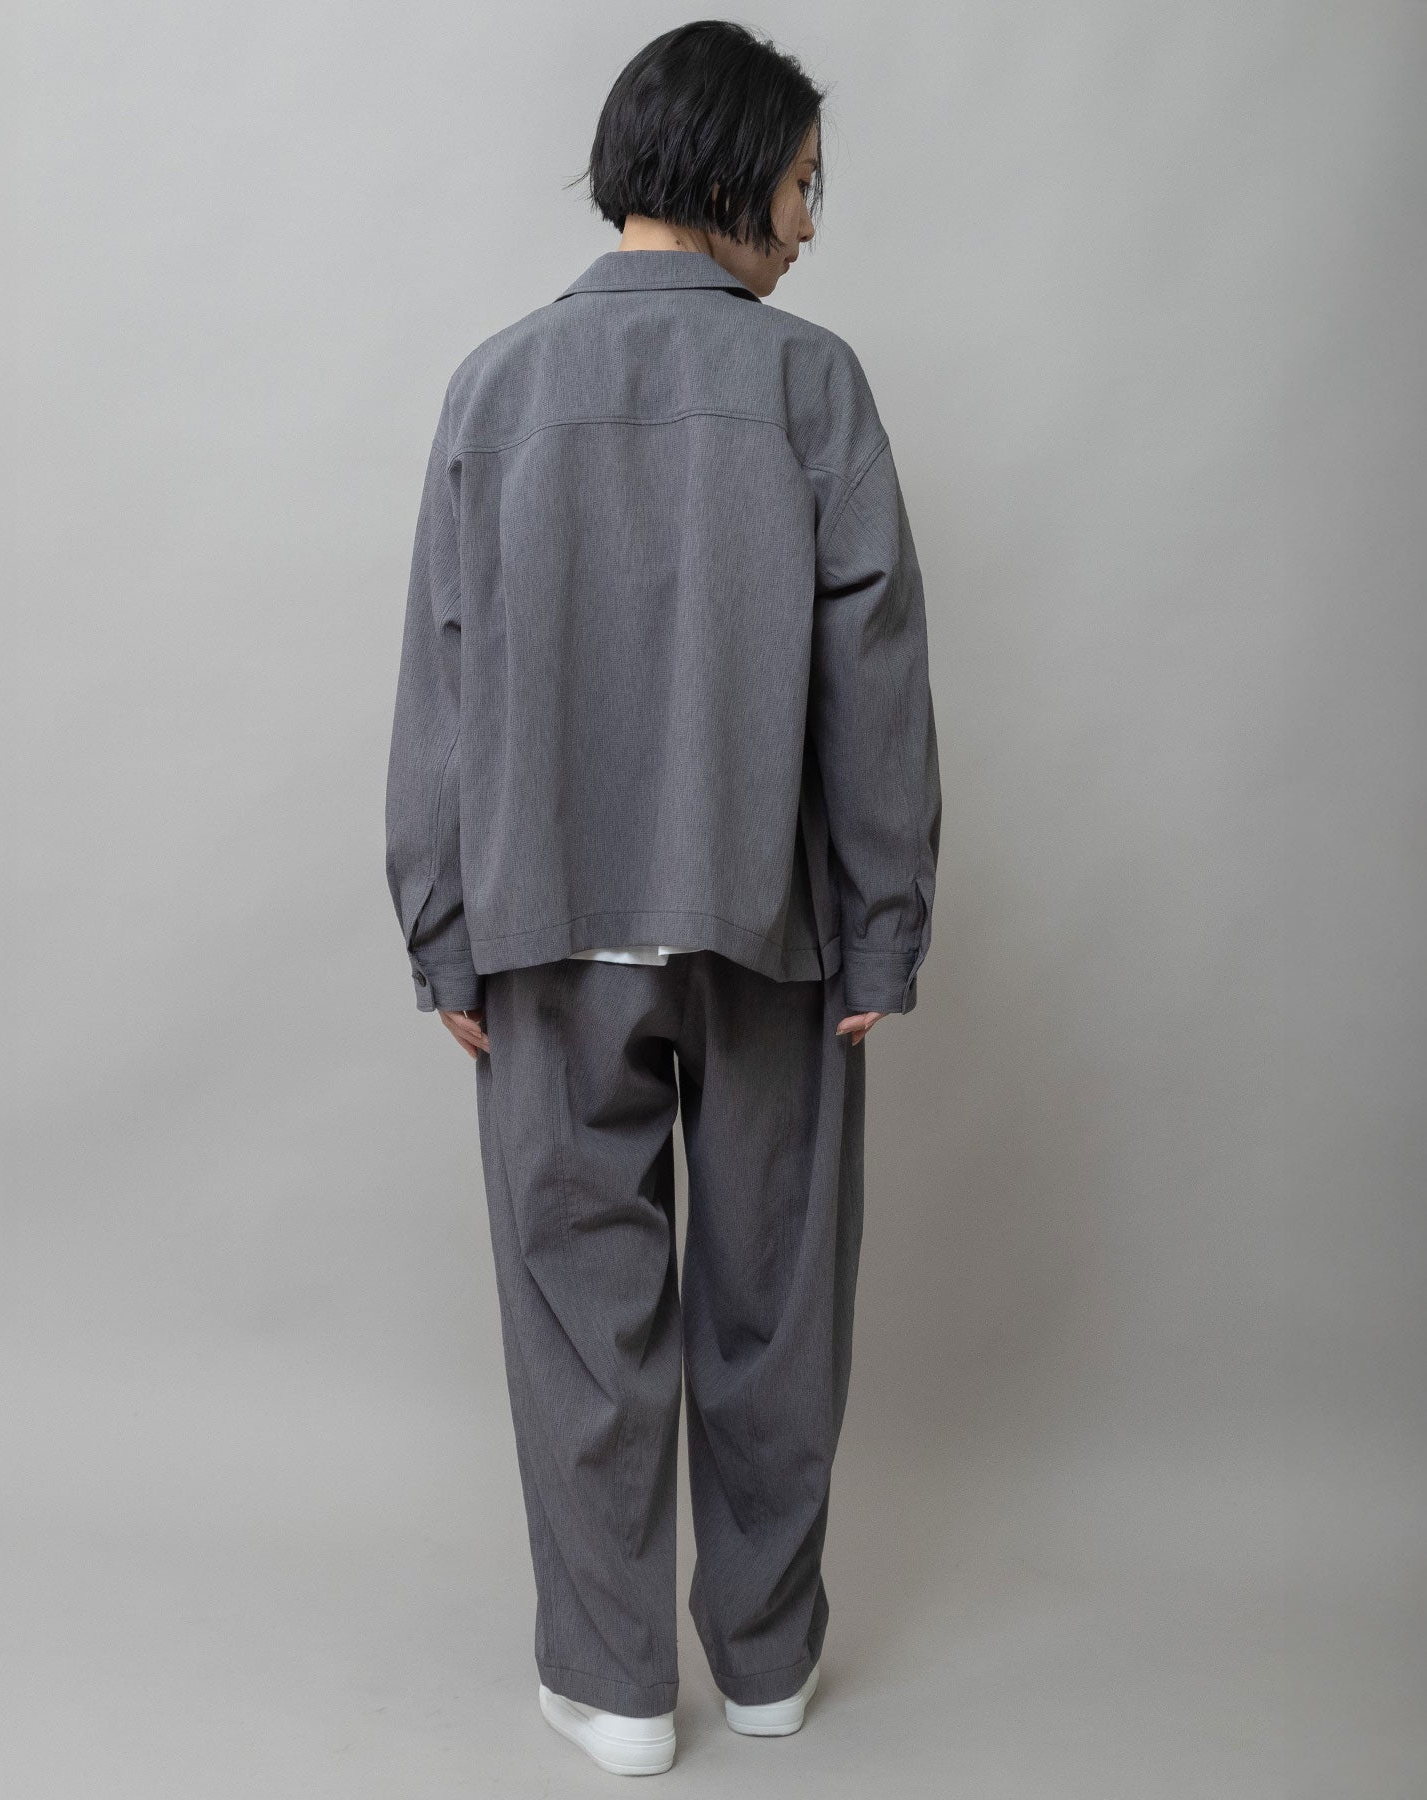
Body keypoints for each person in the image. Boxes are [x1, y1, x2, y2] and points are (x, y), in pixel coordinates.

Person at [385, 19, 942, 1778]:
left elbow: (444, 677)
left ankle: (616, 1688)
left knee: (580, 1315)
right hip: (770, 925)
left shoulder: (493, 387)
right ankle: (766, 1668)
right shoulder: (811, 387)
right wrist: (883, 918)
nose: (811, 226)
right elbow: (874, 673)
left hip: (545, 925)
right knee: (775, 1308)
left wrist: (441, 925)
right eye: (802, 186)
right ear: (731, 171)